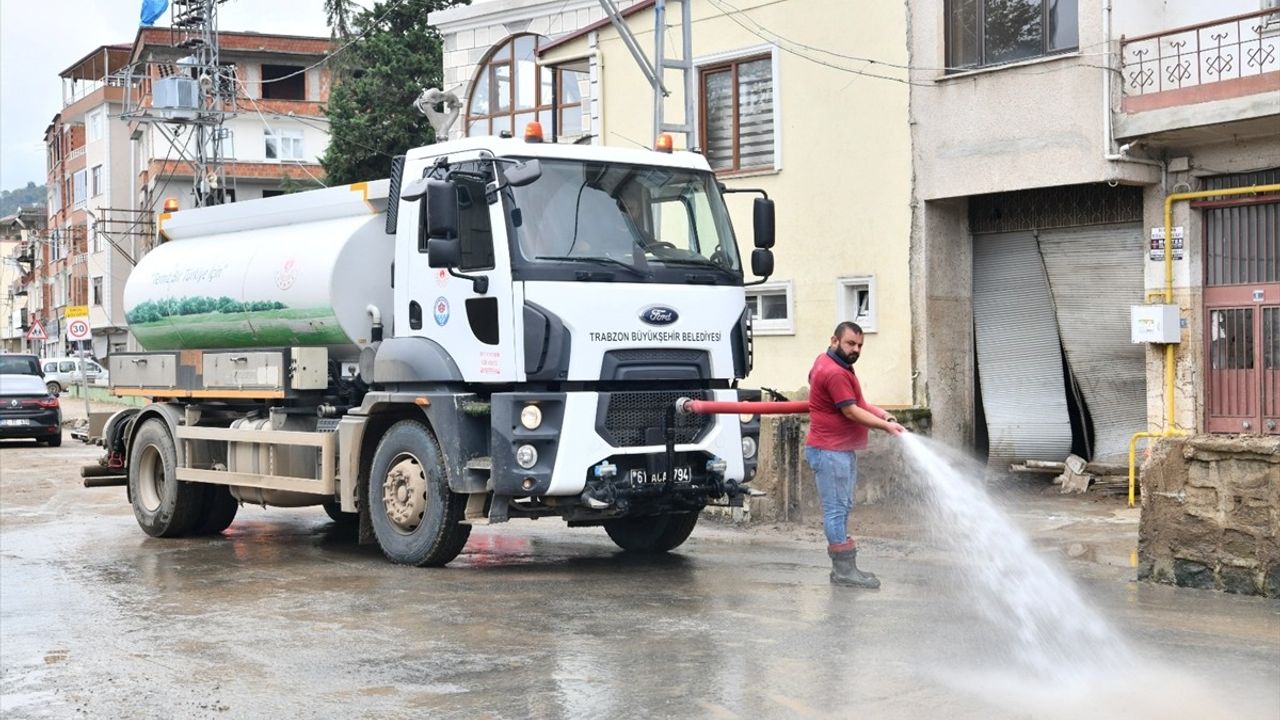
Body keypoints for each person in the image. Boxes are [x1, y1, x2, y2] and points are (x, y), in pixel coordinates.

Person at [804, 321, 905, 588]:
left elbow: (857, 402)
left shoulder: (829, 363)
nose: (856, 349)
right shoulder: (835, 372)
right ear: (834, 340)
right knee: (836, 510)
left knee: (843, 506)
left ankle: (846, 569)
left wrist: (884, 414)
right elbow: (850, 410)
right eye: (850, 343)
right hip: (830, 451)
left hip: (839, 450)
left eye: (860, 345)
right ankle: (843, 571)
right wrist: (885, 426)